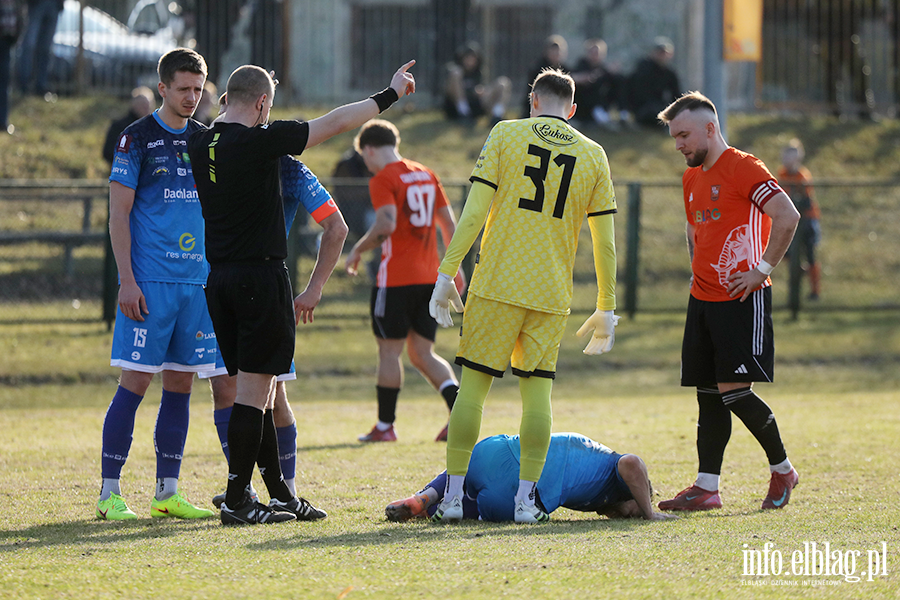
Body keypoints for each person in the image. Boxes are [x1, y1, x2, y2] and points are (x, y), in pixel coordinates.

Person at [188, 61, 417, 525]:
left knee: (264, 390)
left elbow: (204, 119)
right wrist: (389, 94)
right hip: (260, 279)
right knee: (253, 393)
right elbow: (334, 122)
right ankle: (236, 500)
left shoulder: (199, 139)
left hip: (219, 281)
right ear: (262, 104)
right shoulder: (262, 141)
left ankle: (280, 495)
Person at [429, 68, 620, 524]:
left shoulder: (505, 133)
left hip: (496, 282)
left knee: (473, 391)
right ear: (572, 110)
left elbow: (475, 212)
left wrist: (445, 273)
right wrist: (606, 306)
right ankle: (525, 503)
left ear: (532, 100)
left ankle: (453, 499)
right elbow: (605, 243)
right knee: (538, 398)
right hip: (550, 292)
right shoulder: (593, 155)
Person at [656, 91, 801, 512]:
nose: (678, 144)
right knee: (707, 392)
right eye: (674, 137)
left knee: (734, 391)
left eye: (684, 135)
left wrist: (762, 267)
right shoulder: (691, 177)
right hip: (701, 299)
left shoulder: (743, 167)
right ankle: (707, 487)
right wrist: (695, 269)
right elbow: (693, 229)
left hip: (741, 297)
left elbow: (787, 216)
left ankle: (783, 469)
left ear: (710, 129)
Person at [97, 48, 214, 521]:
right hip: (149, 284)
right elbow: (118, 213)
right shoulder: (136, 138)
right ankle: (109, 493)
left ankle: (167, 492)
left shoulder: (208, 140)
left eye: (198, 90)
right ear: (163, 88)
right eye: (183, 89)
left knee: (181, 384)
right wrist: (127, 279)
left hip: (197, 284)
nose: (191, 98)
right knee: (136, 381)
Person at [344, 119, 463, 443]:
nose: (367, 166)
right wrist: (455, 268)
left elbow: (385, 225)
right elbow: (449, 224)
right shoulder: (426, 173)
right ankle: (461, 413)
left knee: (390, 352)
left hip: (395, 279)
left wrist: (355, 250)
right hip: (429, 276)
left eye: (365, 158)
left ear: (369, 149)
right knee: (423, 353)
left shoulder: (385, 178)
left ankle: (385, 426)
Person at [386, 432, 676, 523]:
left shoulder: (598, 496)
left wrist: (629, 510)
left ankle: (425, 500)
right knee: (490, 502)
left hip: (491, 451)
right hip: (515, 494)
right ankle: (428, 505)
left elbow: (622, 503)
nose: (631, 514)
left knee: (463, 476)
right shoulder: (616, 468)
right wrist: (650, 513)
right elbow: (634, 463)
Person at [777, 139, 822, 300]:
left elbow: (806, 201)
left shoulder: (802, 175)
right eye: (786, 156)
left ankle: (815, 291)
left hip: (808, 219)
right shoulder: (782, 174)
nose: (788, 160)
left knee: (810, 255)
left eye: (792, 156)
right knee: (785, 251)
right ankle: (799, 270)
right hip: (791, 220)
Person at [443, 41, 510, 125]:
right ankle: (463, 112)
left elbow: (481, 89)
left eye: (473, 58)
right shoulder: (455, 72)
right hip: (456, 108)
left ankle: (497, 115)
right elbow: (449, 90)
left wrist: (480, 90)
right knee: (456, 73)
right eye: (468, 58)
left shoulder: (478, 73)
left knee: (503, 83)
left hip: (476, 105)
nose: (470, 61)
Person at [570, 38, 630, 130]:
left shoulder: (603, 68)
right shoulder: (581, 65)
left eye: (597, 53)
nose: (595, 55)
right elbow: (580, 78)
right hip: (584, 104)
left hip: (600, 103)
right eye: (592, 52)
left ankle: (622, 113)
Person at [628, 37, 681, 128]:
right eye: (660, 53)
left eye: (665, 53)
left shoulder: (669, 73)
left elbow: (675, 94)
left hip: (659, 106)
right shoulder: (644, 68)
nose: (662, 56)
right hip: (643, 107)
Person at [15, 0, 62, 96]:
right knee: (29, 45)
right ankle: (24, 85)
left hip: (54, 4)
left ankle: (41, 86)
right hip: (36, 3)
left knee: (46, 48)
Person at [101, 87, 156, 164]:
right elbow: (108, 152)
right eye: (142, 105)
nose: (146, 108)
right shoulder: (120, 127)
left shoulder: (156, 128)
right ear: (133, 105)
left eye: (148, 105)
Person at [520, 35, 568, 118]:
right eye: (553, 51)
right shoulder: (538, 68)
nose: (556, 54)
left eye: (558, 51)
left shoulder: (564, 69)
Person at [1, 0, 24, 133]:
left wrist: (15, 37)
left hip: (7, 41)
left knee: (4, 85)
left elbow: (20, 16)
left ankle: (2, 122)